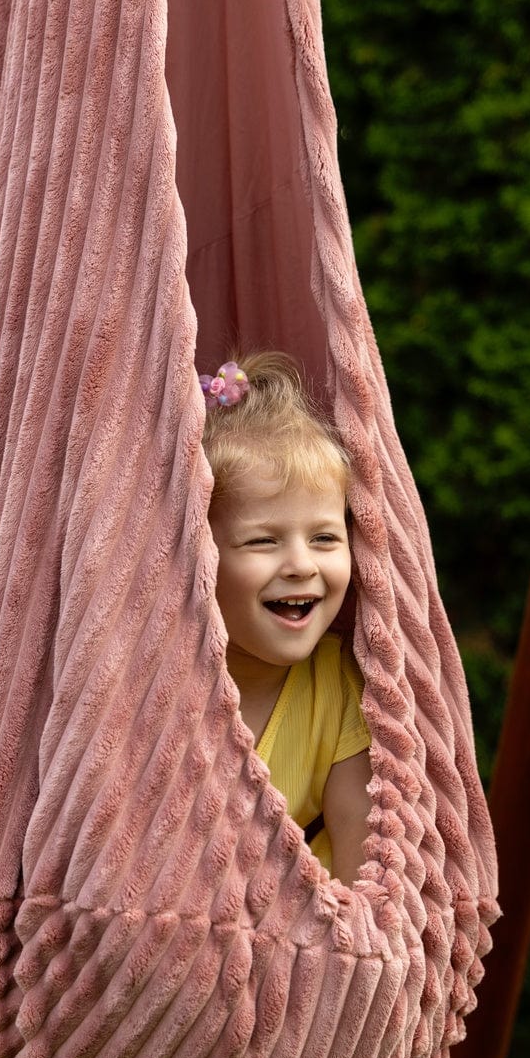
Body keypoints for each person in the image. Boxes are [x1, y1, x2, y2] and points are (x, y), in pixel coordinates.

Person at [200, 352, 372, 884]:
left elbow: (363, 865)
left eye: (325, 538)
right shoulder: (159, 690)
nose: (301, 565)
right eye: (263, 541)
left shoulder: (342, 686)